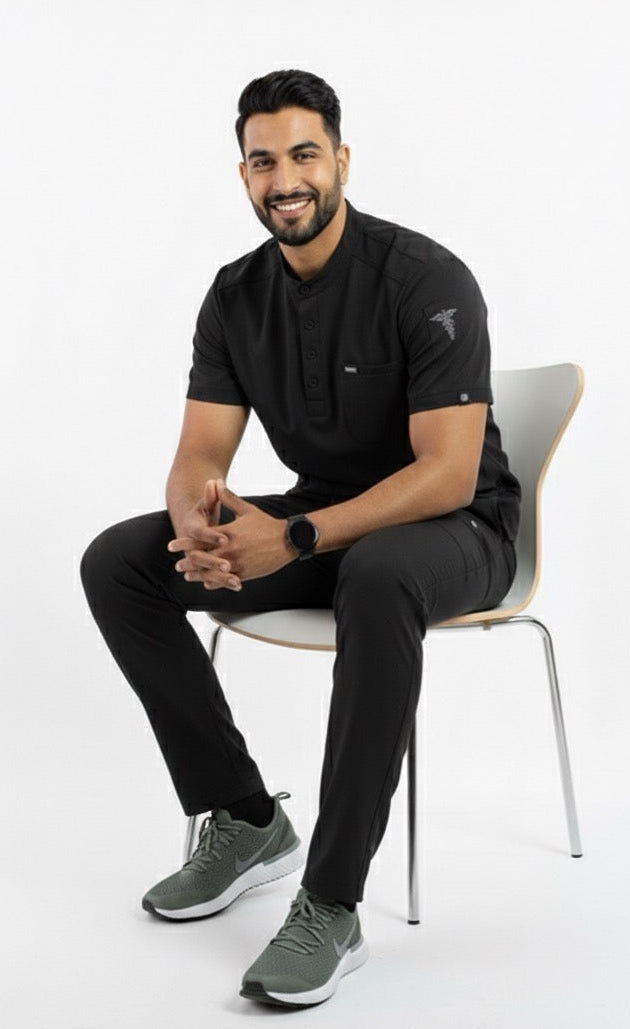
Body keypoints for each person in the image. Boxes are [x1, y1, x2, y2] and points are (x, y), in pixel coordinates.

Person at [80, 68, 521, 1009]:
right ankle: (244, 821)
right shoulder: (234, 296)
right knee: (123, 563)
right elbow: (202, 447)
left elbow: (447, 471)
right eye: (262, 159)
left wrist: (297, 534)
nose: (286, 177)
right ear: (242, 174)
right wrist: (201, 523)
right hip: (319, 526)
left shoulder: (426, 278)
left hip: (458, 531)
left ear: (342, 161)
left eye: (304, 154)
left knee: (377, 575)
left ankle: (331, 900)